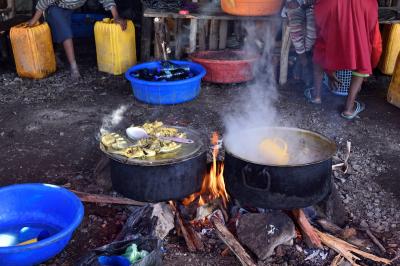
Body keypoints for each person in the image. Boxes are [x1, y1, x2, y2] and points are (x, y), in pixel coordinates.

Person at [304, 0, 382, 120]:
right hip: (364, 4)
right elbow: (375, 43)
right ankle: (349, 109)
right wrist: (370, 69)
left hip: (330, 4)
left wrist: (330, 69)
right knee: (362, 48)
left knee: (322, 43)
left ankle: (316, 96)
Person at [28, 0, 127, 79]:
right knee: (65, 32)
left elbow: (106, 0)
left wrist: (116, 16)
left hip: (71, 9)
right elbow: (43, 3)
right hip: (54, 8)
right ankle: (74, 67)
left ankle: (55, 54)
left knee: (61, 31)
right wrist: (34, 21)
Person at [283, 0, 316, 87]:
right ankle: (304, 62)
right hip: (298, 6)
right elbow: (290, 4)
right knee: (294, 16)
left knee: (312, 29)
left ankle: (300, 60)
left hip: (314, 7)